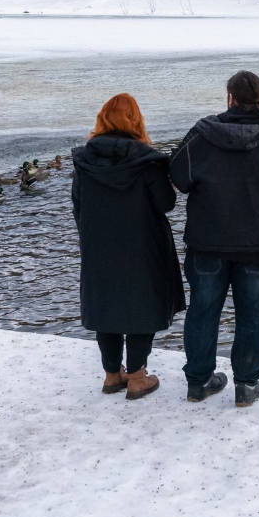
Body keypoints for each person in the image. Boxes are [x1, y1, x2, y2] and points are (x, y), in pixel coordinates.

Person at [171, 71, 259, 407]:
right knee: (254, 314)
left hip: (207, 242)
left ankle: (199, 382)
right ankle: (246, 384)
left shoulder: (201, 137)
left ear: (230, 98)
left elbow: (178, 176)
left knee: (203, 310)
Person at [72, 93, 185, 400]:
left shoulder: (84, 160)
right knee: (141, 304)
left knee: (105, 303)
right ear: (136, 121)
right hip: (143, 244)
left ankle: (112, 375)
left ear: (102, 120)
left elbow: (78, 206)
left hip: (98, 245)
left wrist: (92, 237)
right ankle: (136, 376)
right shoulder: (147, 161)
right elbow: (166, 203)